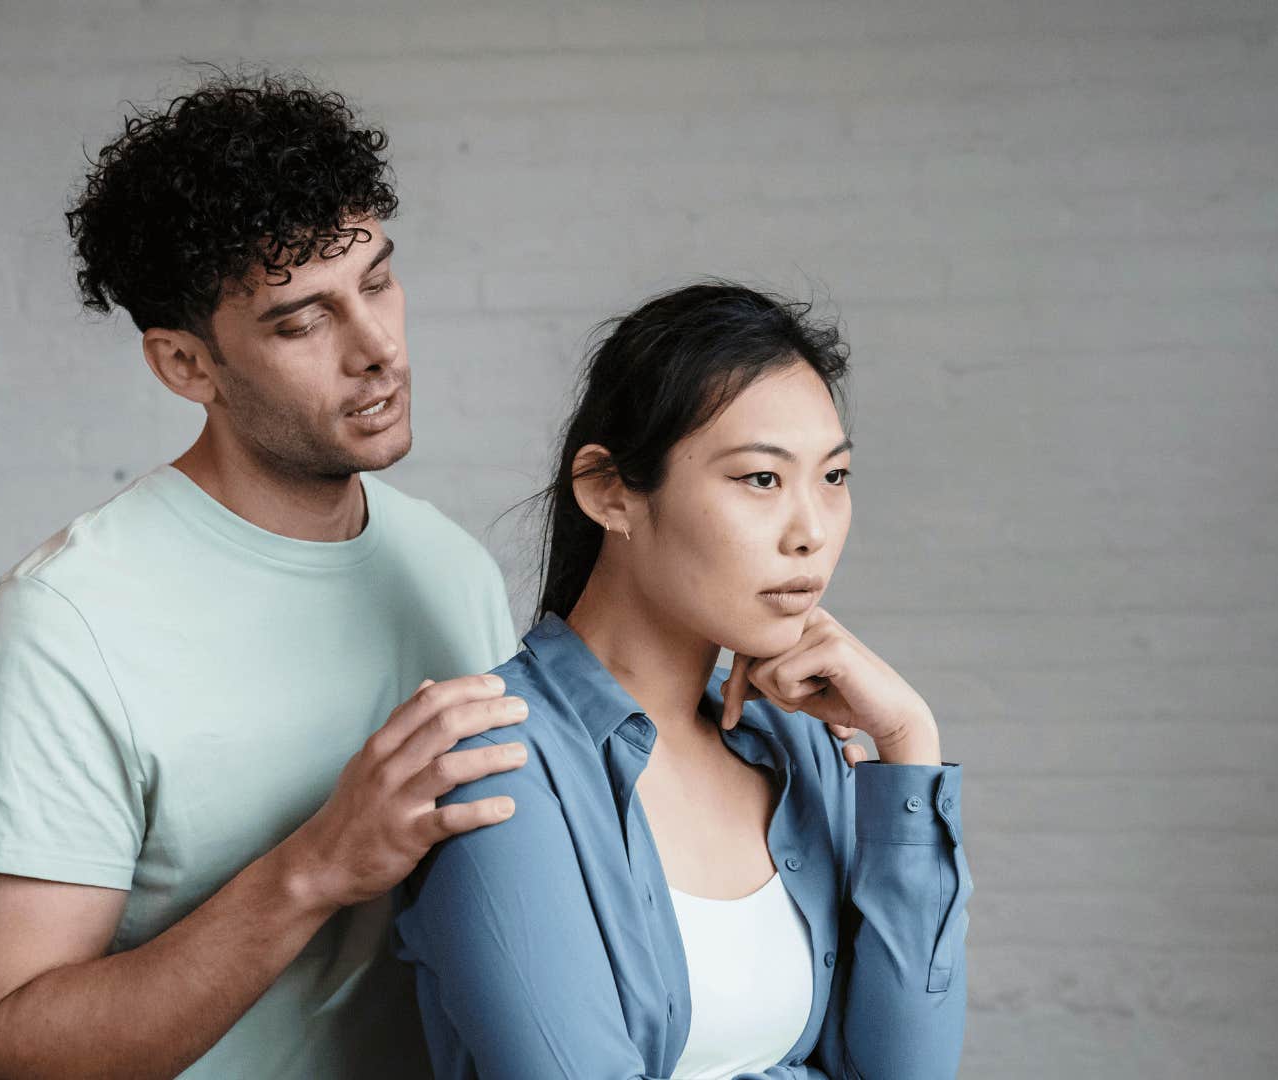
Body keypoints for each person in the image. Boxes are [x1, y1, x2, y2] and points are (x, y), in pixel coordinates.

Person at [0, 70, 534, 1079]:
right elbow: (6, 1054)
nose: (377, 349)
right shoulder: (61, 630)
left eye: (377, 279)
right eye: (303, 321)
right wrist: (316, 868)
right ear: (185, 366)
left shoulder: (447, 566)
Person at [390, 282, 973, 1079]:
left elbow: (909, 1071)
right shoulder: (496, 767)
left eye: (832, 478)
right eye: (761, 479)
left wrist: (908, 744)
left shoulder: (802, 752)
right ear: (609, 491)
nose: (810, 533)